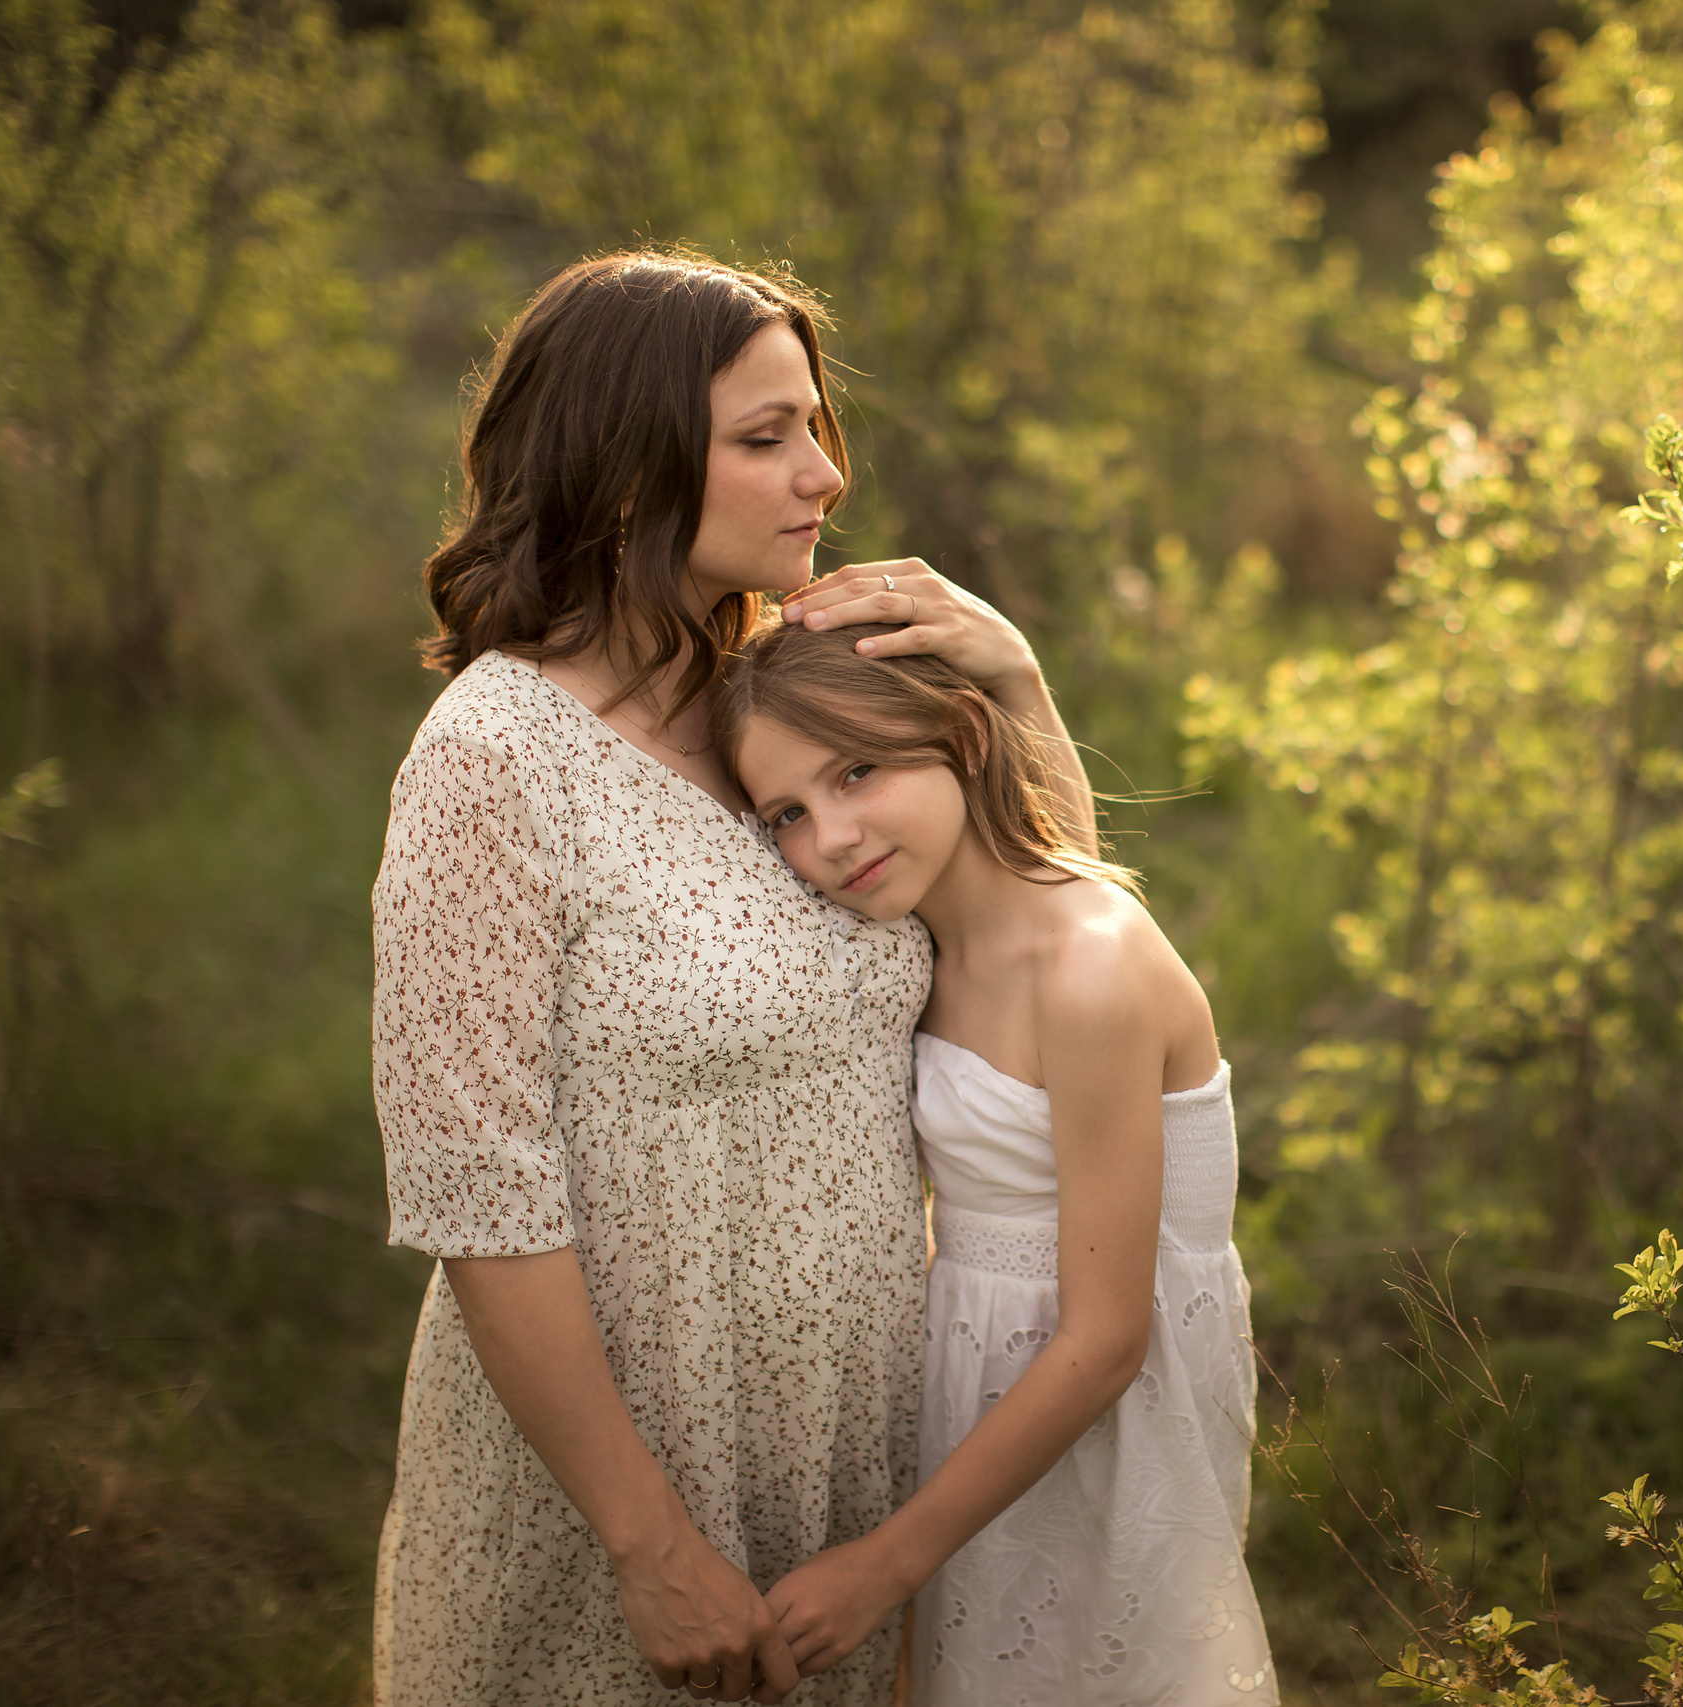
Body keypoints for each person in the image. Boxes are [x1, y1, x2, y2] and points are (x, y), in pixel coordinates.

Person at [370, 247, 1093, 1706]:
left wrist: (1018, 682)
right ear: (625, 468)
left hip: (848, 1447)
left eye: (815, 426)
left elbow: (1047, 935)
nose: (824, 472)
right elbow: (476, 1187)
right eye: (767, 438)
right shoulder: (492, 759)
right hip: (629, 1470)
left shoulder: (792, 693)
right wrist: (647, 1540)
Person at [714, 622, 1278, 1705]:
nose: (831, 835)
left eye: (858, 771)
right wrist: (1013, 673)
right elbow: (1023, 827)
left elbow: (1108, 1338)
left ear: (962, 737)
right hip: (978, 1399)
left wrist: (885, 1561)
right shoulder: (921, 941)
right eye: (788, 812)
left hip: (1100, 1413)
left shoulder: (1092, 969)